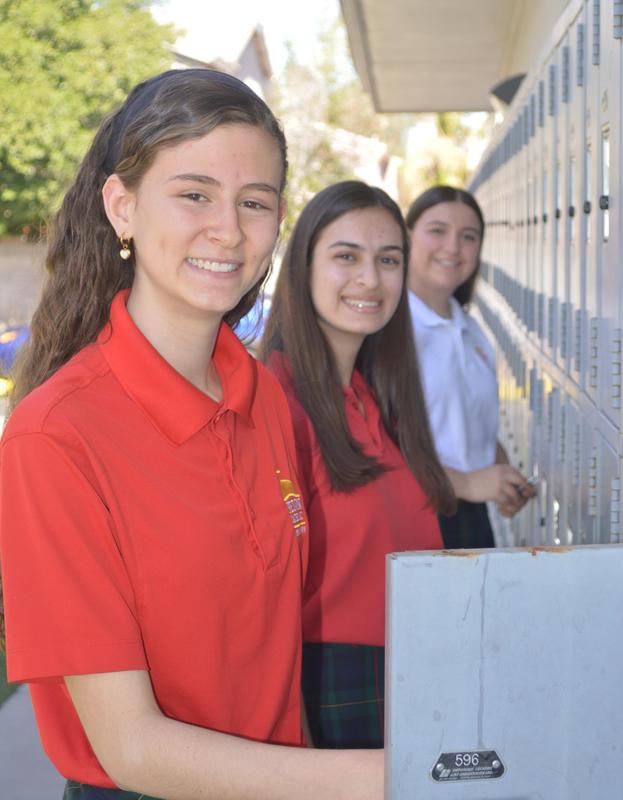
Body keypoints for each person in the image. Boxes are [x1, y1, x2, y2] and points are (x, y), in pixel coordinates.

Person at [0, 70, 383, 800]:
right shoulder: (56, 438)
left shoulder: (263, 397)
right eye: (195, 194)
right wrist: (389, 777)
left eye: (254, 202)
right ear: (122, 208)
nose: (229, 231)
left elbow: (277, 660)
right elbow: (133, 749)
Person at [259, 180, 456, 749]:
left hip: (414, 667)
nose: (371, 280)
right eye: (346, 256)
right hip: (332, 685)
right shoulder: (276, 402)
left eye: (388, 259)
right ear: (303, 267)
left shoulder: (373, 396)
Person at [405, 185, 536, 549]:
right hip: (415, 517)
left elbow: (467, 419)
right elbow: (379, 447)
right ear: (406, 235)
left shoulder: (471, 329)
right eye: (437, 230)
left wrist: (501, 475)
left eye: (468, 237)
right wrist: (466, 482)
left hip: (472, 517)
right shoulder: (390, 332)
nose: (452, 247)